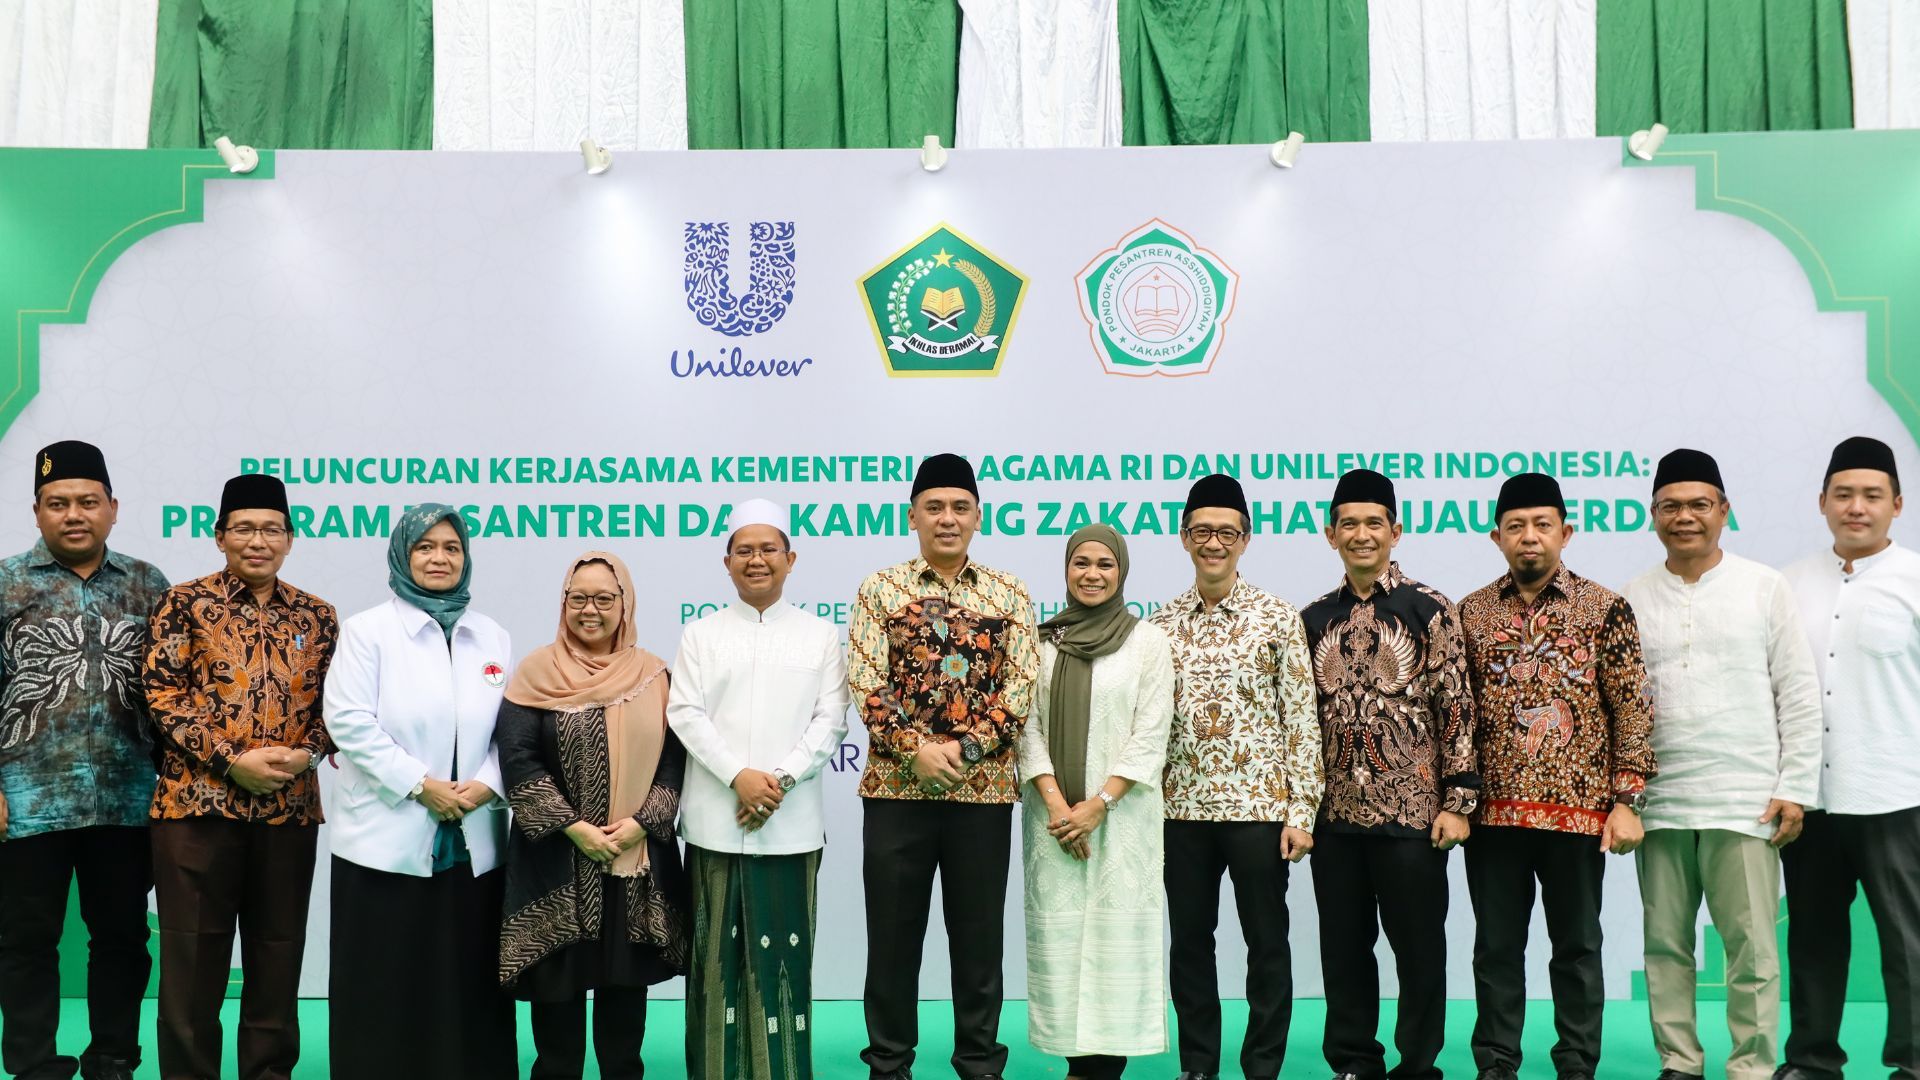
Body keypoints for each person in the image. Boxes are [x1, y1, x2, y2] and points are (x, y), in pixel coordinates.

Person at [1625, 450, 1821, 1080]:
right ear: (1652, 515)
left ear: (1724, 511)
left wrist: (1794, 787)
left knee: (1754, 952)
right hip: (1663, 804)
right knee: (1665, 947)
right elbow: (1619, 707)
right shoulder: (1630, 598)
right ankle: (1679, 1063)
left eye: (1699, 504)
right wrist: (1624, 798)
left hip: (1747, 800)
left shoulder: (1765, 587)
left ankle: (1752, 1067)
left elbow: (1797, 690)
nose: (1685, 517)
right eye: (1671, 506)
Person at [1457, 472, 1656, 1080]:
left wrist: (1628, 800)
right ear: (1496, 537)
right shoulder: (1469, 614)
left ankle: (1576, 1063)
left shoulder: (1603, 609)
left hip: (1579, 815)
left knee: (1575, 948)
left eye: (1543, 525)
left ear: (1566, 532)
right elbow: (1456, 716)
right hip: (1492, 818)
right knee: (1496, 950)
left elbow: (1633, 706)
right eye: (1516, 527)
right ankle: (1496, 1062)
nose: (1530, 538)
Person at [143, 474, 338, 1080]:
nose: (259, 541)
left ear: (290, 538)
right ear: (220, 535)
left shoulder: (320, 615)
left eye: (271, 530)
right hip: (195, 812)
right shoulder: (184, 603)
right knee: (192, 967)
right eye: (245, 529)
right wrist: (232, 762)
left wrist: (305, 755)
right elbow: (162, 695)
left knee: (277, 962)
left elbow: (343, 707)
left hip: (289, 814)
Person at [851, 453, 1038, 1080]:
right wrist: (916, 750)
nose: (947, 518)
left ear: (978, 515)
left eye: (960, 507)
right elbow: (865, 681)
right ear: (912, 515)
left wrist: (963, 750)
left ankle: (980, 1063)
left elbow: (1020, 687)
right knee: (893, 940)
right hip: (896, 794)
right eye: (934, 507)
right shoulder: (881, 590)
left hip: (981, 797)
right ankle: (888, 1063)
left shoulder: (1008, 593)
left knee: (979, 941)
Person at [320, 503, 517, 1079]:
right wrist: (421, 786)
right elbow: (349, 721)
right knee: (386, 977)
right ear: (403, 555)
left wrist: (485, 787)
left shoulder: (493, 635)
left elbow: (514, 728)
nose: (439, 558)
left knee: (468, 976)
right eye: (425, 546)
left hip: (474, 837)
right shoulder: (366, 631)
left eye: (451, 547)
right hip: (386, 838)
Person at [0, 441, 169, 1080]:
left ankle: (113, 1056)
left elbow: (173, 691)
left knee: (123, 937)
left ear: (113, 509)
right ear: (37, 512)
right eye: (59, 503)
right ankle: (32, 1062)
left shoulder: (149, 583)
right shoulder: (6, 583)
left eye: (88, 502)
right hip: (26, 800)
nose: (75, 514)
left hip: (129, 797)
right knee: (25, 940)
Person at [1300, 469, 1476, 1080]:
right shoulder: (1315, 617)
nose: (1362, 534)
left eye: (1374, 522)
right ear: (1330, 535)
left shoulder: (1429, 608)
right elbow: (1301, 721)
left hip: (1413, 814)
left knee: (1418, 948)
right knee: (1344, 949)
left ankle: (1419, 1063)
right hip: (1337, 816)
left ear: (1395, 531)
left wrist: (1458, 802)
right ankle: (1354, 1059)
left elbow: (1456, 707)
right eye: (1348, 523)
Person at [667, 499, 850, 1080]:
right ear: (727, 562)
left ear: (790, 559)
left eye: (768, 549)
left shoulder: (821, 637)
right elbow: (685, 714)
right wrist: (738, 777)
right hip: (715, 825)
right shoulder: (701, 635)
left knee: (785, 972)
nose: (757, 560)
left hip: (790, 826)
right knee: (714, 967)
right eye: (744, 550)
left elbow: (832, 721)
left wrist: (779, 781)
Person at [1148, 473, 1321, 1080]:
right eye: (1202, 531)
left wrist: (1301, 813)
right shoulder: (1161, 625)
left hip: (1259, 810)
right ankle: (1198, 1064)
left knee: (1267, 946)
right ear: (1184, 537)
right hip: (1181, 812)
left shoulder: (1277, 618)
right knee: (1190, 945)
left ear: (1246, 539)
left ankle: (1262, 1065)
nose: (1213, 542)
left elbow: (1301, 718)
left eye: (1227, 532)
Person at [495, 551, 689, 1080]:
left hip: (634, 862)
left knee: (623, 1003)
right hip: (556, 859)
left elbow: (675, 759)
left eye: (605, 598)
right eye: (578, 598)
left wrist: (642, 822)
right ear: (563, 603)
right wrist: (574, 827)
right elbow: (517, 757)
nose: (590, 610)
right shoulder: (536, 672)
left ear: (624, 604)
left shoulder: (655, 675)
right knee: (557, 1004)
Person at [1779, 435, 1920, 1080]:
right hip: (1810, 796)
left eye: (1871, 496)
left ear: (1897, 503)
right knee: (1812, 937)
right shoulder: (1788, 584)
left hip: (1896, 792)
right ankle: (1812, 1060)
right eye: (1844, 495)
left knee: (1907, 941)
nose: (1855, 507)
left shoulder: (1915, 581)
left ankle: (1912, 1062)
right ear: (1822, 503)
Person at [1018, 525, 1174, 1080]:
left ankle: (1109, 1064)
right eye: (1080, 563)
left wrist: (1099, 804)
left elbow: (1151, 733)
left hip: (1122, 819)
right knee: (1060, 938)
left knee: (1117, 936)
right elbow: (1027, 728)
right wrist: (1060, 806)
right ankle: (1073, 1060)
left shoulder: (1148, 643)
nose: (1091, 574)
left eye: (1105, 564)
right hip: (1052, 820)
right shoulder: (1040, 643)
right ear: (1065, 570)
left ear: (1122, 571)